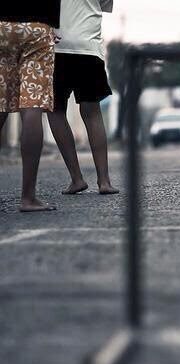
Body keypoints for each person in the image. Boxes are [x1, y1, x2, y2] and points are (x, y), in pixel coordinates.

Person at [47, 0, 119, 195]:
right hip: (88, 48)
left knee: (55, 110)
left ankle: (76, 179)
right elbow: (104, 4)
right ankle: (104, 181)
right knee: (92, 113)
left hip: (56, 46)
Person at [1, 2, 61, 212]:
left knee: (0, 105)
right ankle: (28, 198)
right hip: (37, 26)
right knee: (32, 107)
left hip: (2, 27)